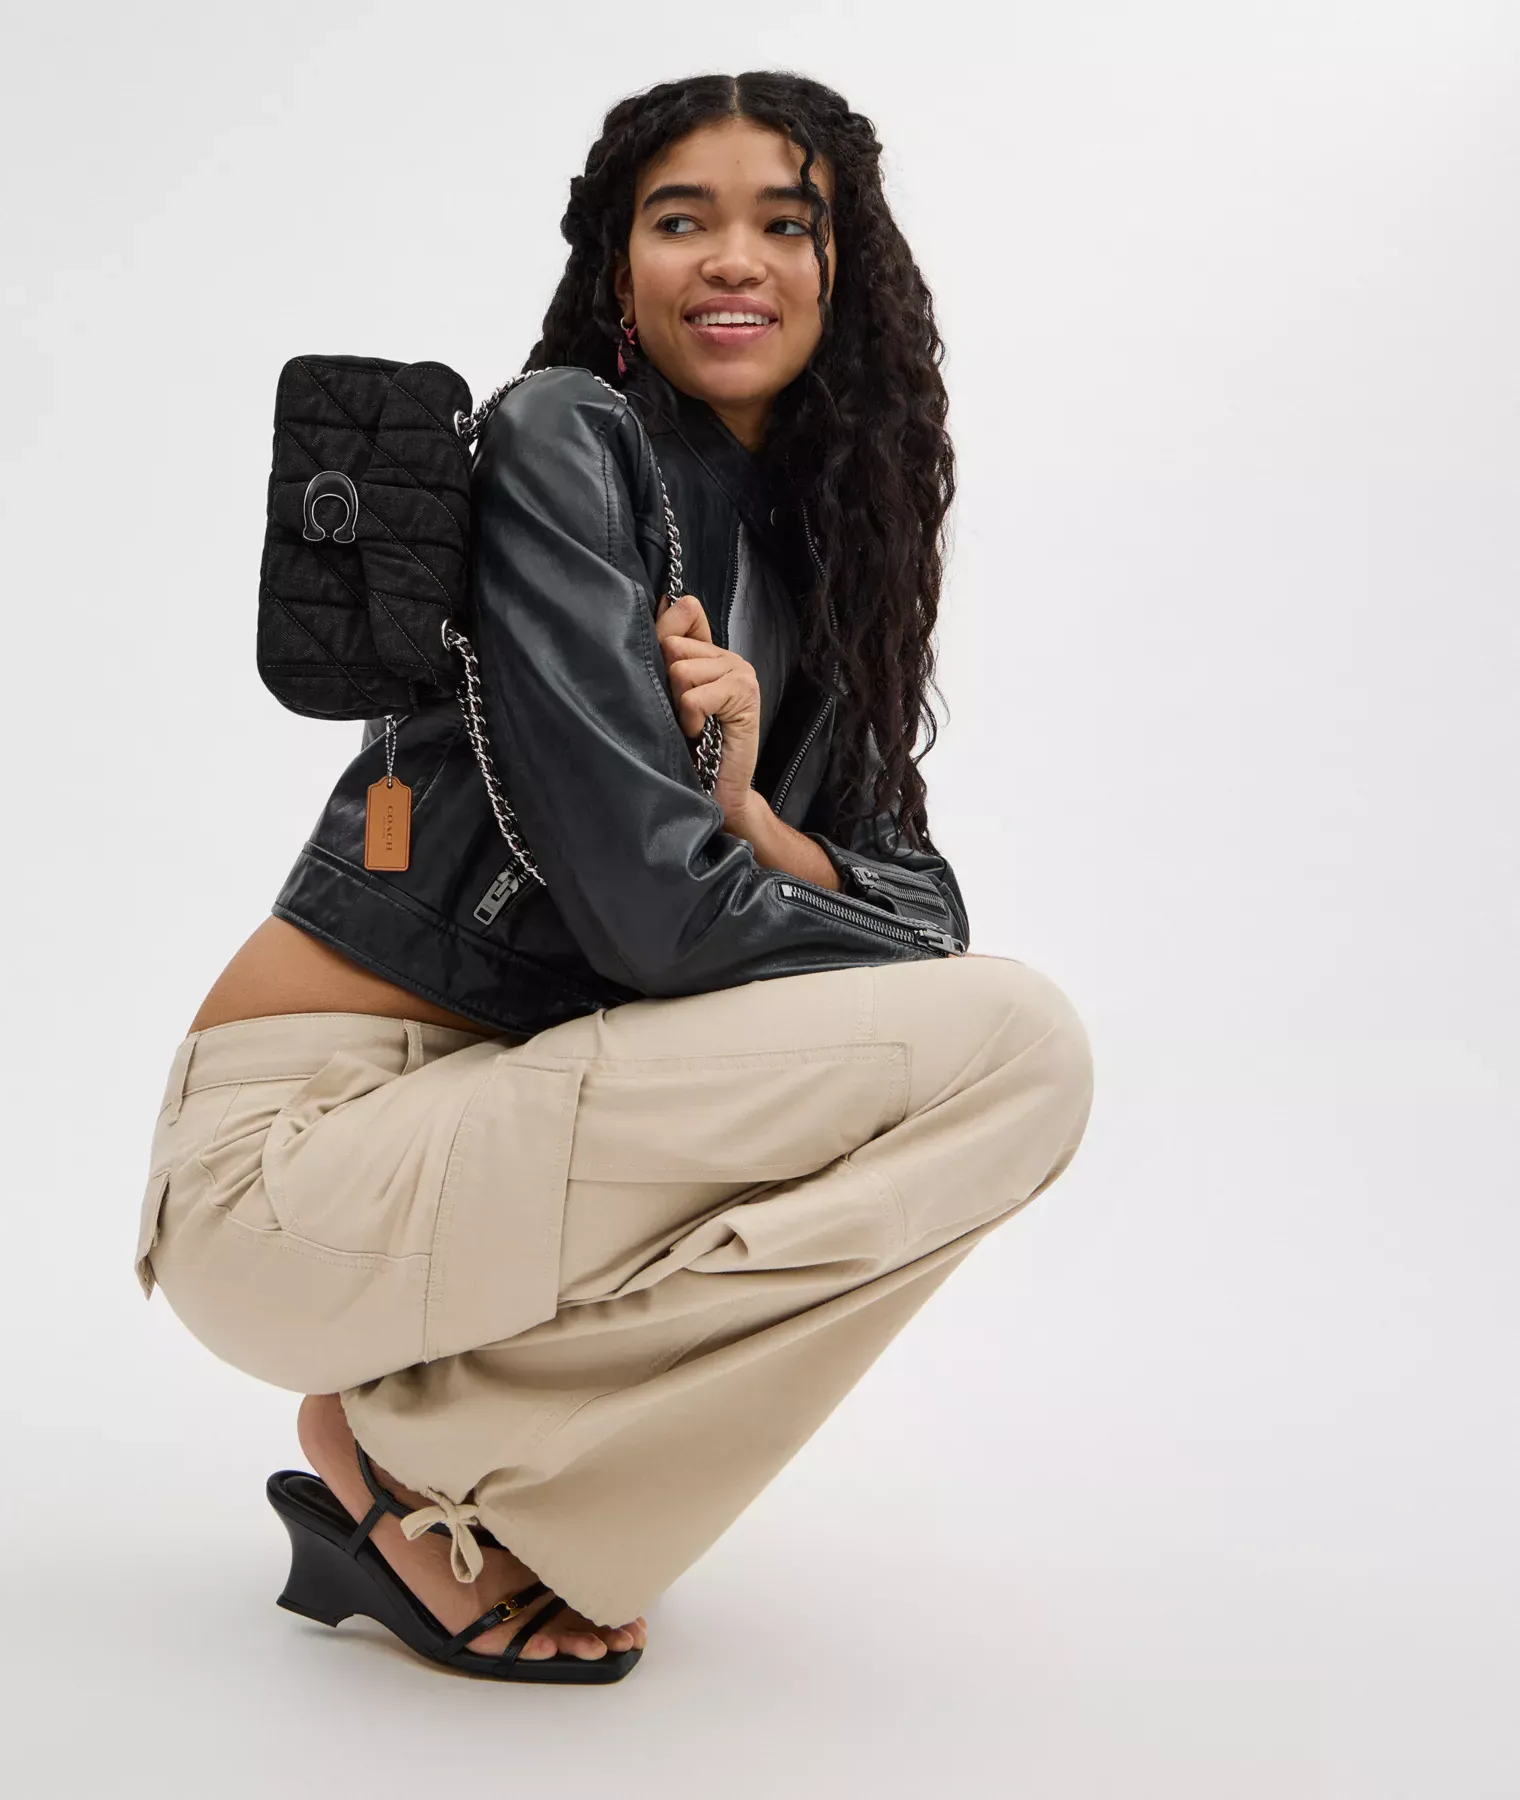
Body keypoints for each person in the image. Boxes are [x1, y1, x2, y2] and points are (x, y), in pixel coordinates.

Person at [135, 70, 1094, 1685]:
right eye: (681, 220)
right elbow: (661, 924)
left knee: (998, 1068)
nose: (735, 259)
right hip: (302, 1167)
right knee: (1013, 1045)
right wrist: (742, 867)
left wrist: (753, 818)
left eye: (785, 223)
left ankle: (452, 1462)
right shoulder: (565, 440)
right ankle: (419, 1478)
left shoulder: (825, 541)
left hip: (492, 1144)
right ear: (618, 264)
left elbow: (925, 908)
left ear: (845, 266)